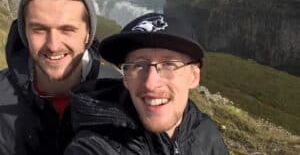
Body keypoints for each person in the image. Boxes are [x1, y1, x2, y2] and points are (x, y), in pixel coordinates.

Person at [64, 12, 229, 155]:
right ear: (126, 79)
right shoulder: (93, 147)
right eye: (138, 65)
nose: (150, 83)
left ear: (194, 77)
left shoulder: (206, 132)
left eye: (169, 65)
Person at [0, 0, 121, 155]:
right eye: (39, 30)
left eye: (67, 30)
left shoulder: (120, 92)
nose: (53, 45)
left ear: (88, 34)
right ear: (24, 34)